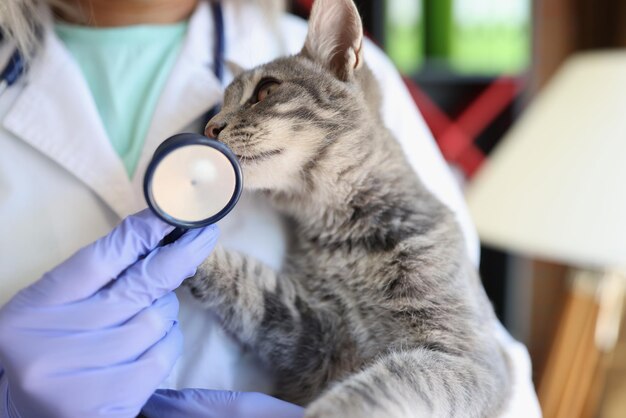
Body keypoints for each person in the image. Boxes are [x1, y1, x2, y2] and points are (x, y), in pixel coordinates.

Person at [0, 0, 542, 417]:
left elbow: (491, 380)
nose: (215, 128)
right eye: (218, 116)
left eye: (258, 96)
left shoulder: (302, 51)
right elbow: (315, 342)